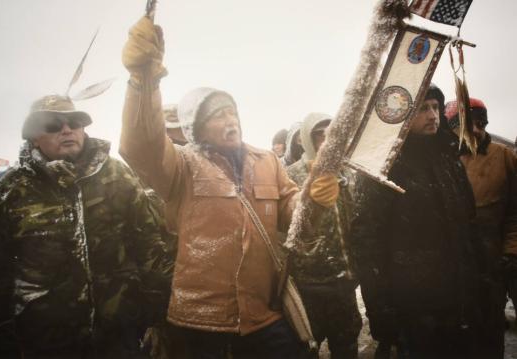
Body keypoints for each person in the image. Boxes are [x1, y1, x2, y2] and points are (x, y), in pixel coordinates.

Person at [120, 16, 340, 358]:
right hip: (197, 322)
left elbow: (296, 219)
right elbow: (142, 145)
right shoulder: (181, 166)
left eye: (231, 111)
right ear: (195, 129)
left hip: (263, 316)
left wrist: (313, 199)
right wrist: (142, 81)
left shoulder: (267, 160)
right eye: (217, 116)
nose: (230, 120)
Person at [0, 94, 170, 358]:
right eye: (53, 125)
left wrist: (158, 316)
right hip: (44, 341)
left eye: (75, 122)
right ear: (34, 137)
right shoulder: (11, 189)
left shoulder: (117, 175)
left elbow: (148, 246)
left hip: (120, 333)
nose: (67, 129)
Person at [350, 85, 482, 358]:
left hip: (457, 295)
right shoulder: (383, 167)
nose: (433, 115)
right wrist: (381, 310)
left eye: (435, 107)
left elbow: (469, 222)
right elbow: (367, 242)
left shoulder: (449, 157)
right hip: (412, 301)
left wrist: (477, 278)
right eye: (423, 108)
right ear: (402, 115)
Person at [445, 98, 517, 358]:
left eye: (481, 122)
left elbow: (515, 212)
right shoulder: (445, 162)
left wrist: (510, 251)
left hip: (496, 261)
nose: (475, 130)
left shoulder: (504, 156)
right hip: (457, 265)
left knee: (490, 330)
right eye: (467, 124)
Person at [286, 113, 362, 358]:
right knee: (308, 346)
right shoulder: (291, 174)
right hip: (309, 282)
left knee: (347, 343)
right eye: (319, 133)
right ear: (306, 139)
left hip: (344, 279)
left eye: (332, 132)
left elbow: (356, 218)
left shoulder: (348, 172)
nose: (327, 138)